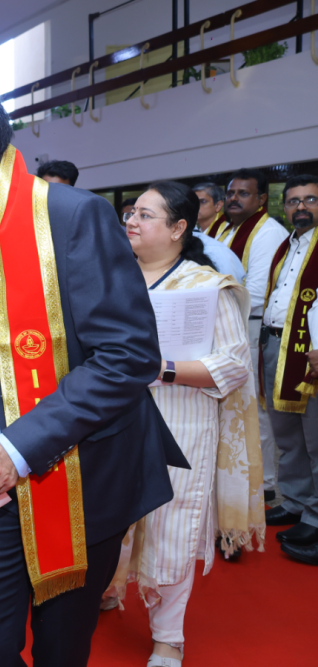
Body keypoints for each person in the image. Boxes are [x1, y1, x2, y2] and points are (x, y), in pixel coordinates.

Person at [0, 78, 185, 667]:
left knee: (61, 649)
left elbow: (129, 356)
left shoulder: (72, 218)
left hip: (81, 475)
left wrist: (16, 447)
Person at [122, 181, 263, 666]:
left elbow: (233, 364)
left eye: (145, 215)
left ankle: (168, 637)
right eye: (131, 213)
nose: (132, 221)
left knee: (171, 522)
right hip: (112, 418)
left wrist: (162, 369)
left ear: (178, 227)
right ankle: (108, 586)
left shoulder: (205, 286)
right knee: (109, 514)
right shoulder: (112, 276)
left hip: (180, 419)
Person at [218, 169, 288, 506]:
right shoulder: (225, 229)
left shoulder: (267, 232)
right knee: (231, 405)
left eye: (243, 193)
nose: (234, 198)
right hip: (226, 322)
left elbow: (257, 292)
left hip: (250, 325)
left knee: (254, 407)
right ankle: (237, 474)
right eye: (231, 193)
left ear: (261, 199)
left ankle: (265, 483)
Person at [260, 174, 318, 566]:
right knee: (287, 434)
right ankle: (298, 503)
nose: (301, 207)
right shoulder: (288, 243)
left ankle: (316, 517)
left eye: (310, 200)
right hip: (276, 346)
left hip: (309, 352)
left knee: (315, 439)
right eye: (294, 201)